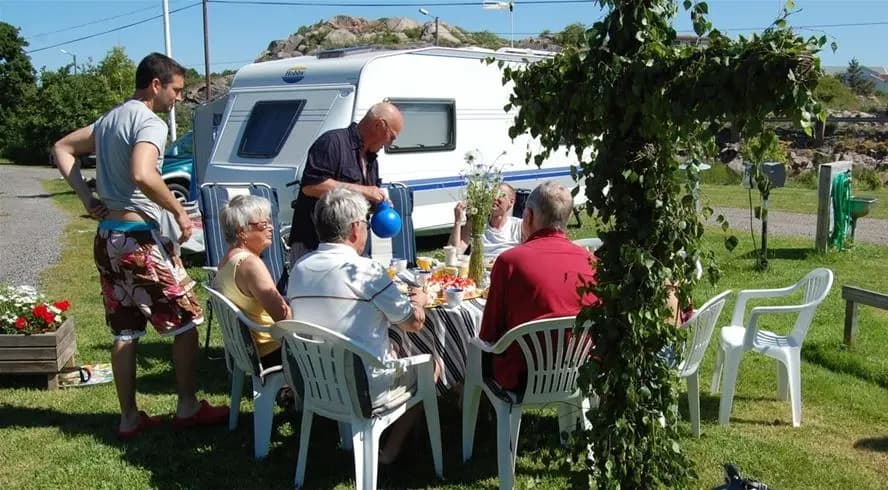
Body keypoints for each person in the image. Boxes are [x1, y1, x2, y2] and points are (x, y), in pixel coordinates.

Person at [51, 52, 227, 440]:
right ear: (156, 85)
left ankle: (129, 418)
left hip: (108, 238)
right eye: (176, 90)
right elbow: (143, 174)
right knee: (186, 321)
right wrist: (179, 212)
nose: (179, 98)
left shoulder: (109, 119)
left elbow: (62, 147)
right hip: (139, 241)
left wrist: (86, 197)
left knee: (126, 330)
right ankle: (187, 406)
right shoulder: (149, 121)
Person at [287, 186, 431, 464]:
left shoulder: (300, 268)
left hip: (315, 381)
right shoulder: (366, 271)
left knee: (389, 340)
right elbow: (413, 323)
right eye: (365, 223)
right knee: (431, 366)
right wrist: (421, 301)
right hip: (362, 386)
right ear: (355, 229)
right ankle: (389, 451)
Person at [478, 181, 598, 392]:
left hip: (521, 377)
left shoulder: (510, 262)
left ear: (528, 216)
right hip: (577, 372)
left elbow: (488, 333)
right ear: (568, 218)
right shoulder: (592, 263)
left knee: (476, 349)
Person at [287, 102, 402, 264]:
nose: (390, 143)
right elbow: (311, 186)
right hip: (315, 246)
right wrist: (363, 191)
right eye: (392, 136)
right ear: (379, 125)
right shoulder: (332, 142)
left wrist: (379, 203)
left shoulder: (371, 159)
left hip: (351, 249)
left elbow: (364, 198)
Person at [215, 195, 291, 366]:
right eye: (263, 224)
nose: (271, 227)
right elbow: (283, 316)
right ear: (242, 231)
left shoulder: (227, 260)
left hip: (251, 351)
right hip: (272, 349)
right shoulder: (250, 265)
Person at [448, 183, 523, 259]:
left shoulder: (518, 226)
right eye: (492, 194)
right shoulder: (477, 223)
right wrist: (457, 221)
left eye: (500, 195)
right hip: (479, 269)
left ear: (511, 202)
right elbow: (454, 253)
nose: (494, 198)